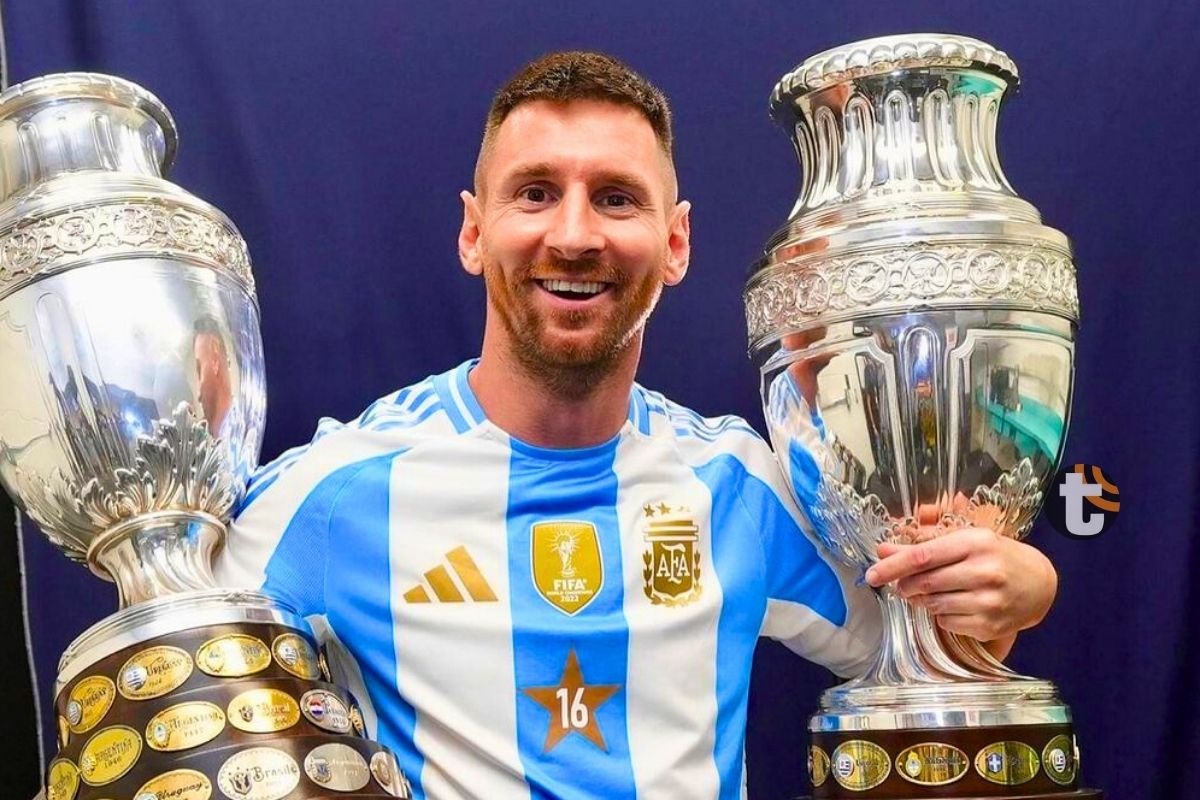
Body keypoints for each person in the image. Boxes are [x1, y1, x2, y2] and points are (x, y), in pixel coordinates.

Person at [216, 51, 1057, 799]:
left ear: (677, 241)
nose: (575, 235)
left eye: (616, 199)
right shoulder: (340, 489)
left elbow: (924, 643)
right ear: (475, 231)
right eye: (536, 193)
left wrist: (1018, 589)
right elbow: (169, 672)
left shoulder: (737, 483)